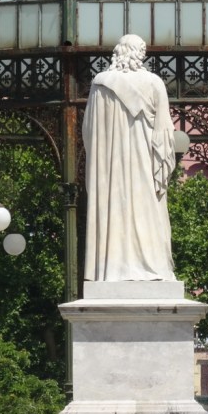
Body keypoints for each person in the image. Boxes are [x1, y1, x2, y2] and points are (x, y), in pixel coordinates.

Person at [82, 34, 177, 281]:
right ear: (140, 54)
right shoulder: (154, 83)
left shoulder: (100, 83)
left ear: (118, 52)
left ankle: (111, 268)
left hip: (109, 174)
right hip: (143, 166)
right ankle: (153, 266)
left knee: (114, 212)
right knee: (149, 214)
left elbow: (88, 132)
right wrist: (162, 167)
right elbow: (165, 134)